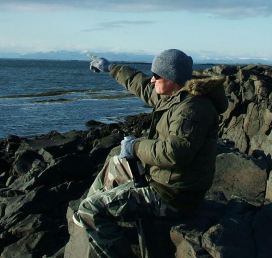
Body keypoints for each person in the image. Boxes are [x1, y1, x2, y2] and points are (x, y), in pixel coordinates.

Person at [73, 49, 228, 258]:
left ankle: (94, 217)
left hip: (173, 194)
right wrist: (111, 67)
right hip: (163, 178)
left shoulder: (192, 109)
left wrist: (136, 147)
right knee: (116, 162)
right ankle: (93, 216)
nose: (153, 80)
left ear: (172, 79)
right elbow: (142, 84)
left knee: (91, 209)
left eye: (157, 76)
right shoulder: (175, 94)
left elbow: (175, 153)